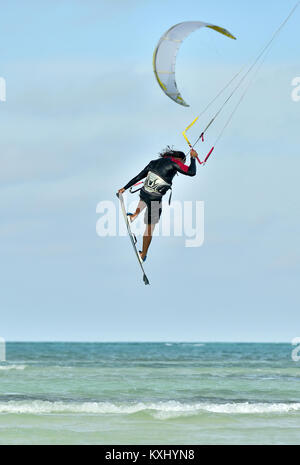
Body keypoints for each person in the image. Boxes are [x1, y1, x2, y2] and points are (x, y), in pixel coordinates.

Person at [118, 146, 198, 262]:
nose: (179, 169)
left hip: (144, 193)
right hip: (155, 200)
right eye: (182, 164)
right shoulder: (175, 163)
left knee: (146, 194)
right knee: (149, 228)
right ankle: (143, 254)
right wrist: (193, 158)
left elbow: (138, 177)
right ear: (179, 159)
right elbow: (191, 172)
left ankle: (133, 216)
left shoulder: (153, 162)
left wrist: (124, 188)